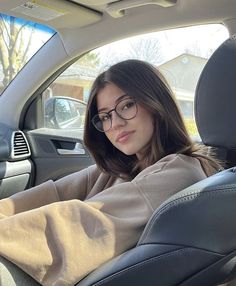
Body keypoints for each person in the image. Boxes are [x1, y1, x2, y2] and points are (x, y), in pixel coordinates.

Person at [0, 59, 221, 286]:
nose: (114, 123)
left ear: (156, 103)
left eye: (126, 105)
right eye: (105, 116)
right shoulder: (119, 169)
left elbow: (81, 222)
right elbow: (55, 192)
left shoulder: (181, 173)